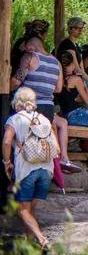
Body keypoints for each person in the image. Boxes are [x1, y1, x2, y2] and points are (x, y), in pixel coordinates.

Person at [10, 21, 80, 174]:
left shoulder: (29, 56)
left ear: (31, 44)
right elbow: (58, 88)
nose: (25, 48)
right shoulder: (56, 62)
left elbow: (16, 81)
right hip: (47, 109)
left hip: (29, 108)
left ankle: (14, 175)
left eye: (26, 45)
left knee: (13, 135)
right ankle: (59, 162)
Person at [2, 88, 57, 248]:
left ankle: (42, 239)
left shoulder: (15, 119)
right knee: (30, 208)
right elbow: (57, 147)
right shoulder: (44, 119)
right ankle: (28, 241)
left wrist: (7, 162)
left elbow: (6, 141)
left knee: (22, 210)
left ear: (16, 102)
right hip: (47, 170)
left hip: (27, 170)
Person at [56, 17, 88, 108]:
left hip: (79, 78)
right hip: (70, 79)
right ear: (70, 29)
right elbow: (77, 69)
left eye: (81, 28)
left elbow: (82, 71)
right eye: (77, 28)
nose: (80, 30)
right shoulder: (67, 44)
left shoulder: (76, 46)